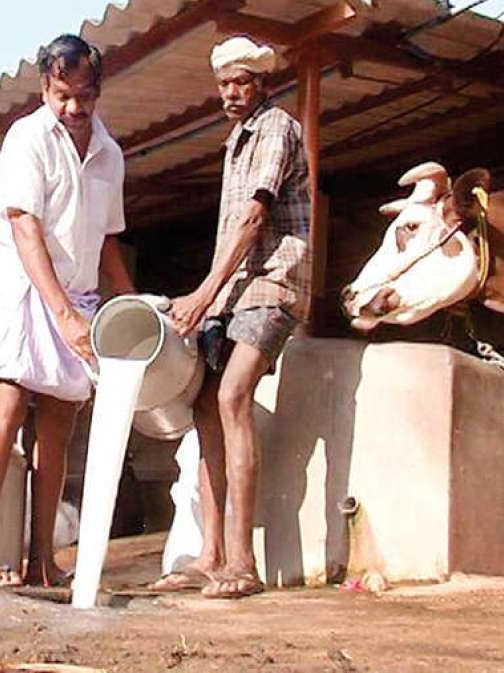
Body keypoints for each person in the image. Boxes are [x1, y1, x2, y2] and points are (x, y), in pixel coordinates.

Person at [0, 33, 135, 587]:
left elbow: (108, 240)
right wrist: (60, 312)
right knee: (8, 405)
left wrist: (131, 305)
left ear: (98, 91)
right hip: (22, 287)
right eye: (62, 94)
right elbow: (23, 224)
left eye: (84, 95)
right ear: (45, 87)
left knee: (59, 426)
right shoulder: (26, 139)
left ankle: (43, 560)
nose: (73, 107)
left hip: (79, 296)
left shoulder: (111, 155)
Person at [154, 36, 312, 599]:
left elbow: (251, 221)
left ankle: (243, 562)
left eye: (240, 83)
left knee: (231, 396)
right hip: (234, 291)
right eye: (223, 85)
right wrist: (207, 299)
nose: (230, 93)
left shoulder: (274, 129)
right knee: (201, 404)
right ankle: (211, 553)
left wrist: (202, 294)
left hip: (272, 283)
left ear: (261, 84)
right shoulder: (234, 141)